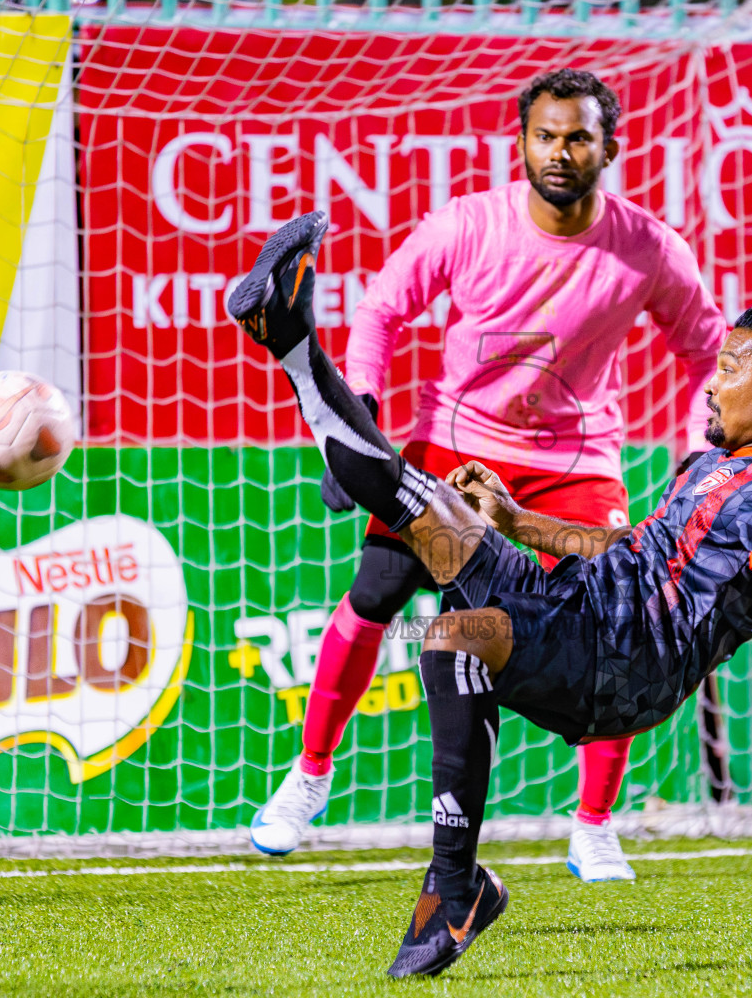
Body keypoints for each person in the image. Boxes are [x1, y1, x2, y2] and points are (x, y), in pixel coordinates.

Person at [226, 211, 752, 978]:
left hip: (623, 660)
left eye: (730, 371)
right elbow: (629, 550)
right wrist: (516, 521)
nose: (713, 386)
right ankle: (289, 339)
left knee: (452, 636)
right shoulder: (711, 466)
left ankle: (459, 886)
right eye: (716, 367)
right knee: (408, 498)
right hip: (577, 605)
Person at [249, 68, 727, 883]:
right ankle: (311, 776)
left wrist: (699, 450)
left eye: (579, 136)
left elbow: (709, 348)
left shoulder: (648, 247)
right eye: (546, 135)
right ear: (522, 142)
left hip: (574, 460)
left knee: (616, 620)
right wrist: (360, 407)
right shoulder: (467, 225)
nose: (561, 151)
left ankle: (594, 826)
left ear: (609, 147)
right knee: (377, 592)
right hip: (458, 443)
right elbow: (381, 310)